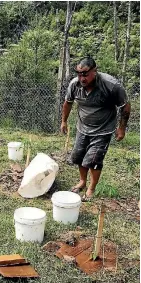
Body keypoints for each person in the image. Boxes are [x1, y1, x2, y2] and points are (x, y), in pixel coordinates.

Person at [61, 57, 131, 200]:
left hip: (103, 130)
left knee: (93, 160)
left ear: (94, 71)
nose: (82, 78)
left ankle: (91, 189)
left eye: (85, 74)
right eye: (79, 74)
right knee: (79, 157)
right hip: (82, 127)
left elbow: (125, 106)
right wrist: (64, 121)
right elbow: (68, 103)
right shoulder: (74, 85)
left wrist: (121, 128)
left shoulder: (111, 85)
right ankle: (82, 181)